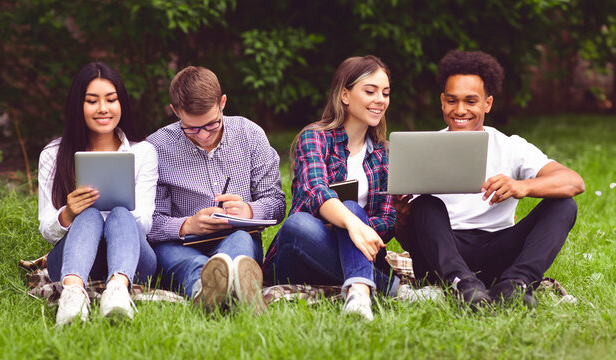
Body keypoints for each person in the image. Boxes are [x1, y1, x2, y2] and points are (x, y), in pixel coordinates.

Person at [394, 50, 585, 308]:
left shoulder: (510, 146)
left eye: (471, 101)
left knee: (564, 204)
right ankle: (462, 286)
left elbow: (574, 182)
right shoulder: (422, 149)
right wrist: (403, 218)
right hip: (443, 257)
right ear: (442, 101)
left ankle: (516, 284)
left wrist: (522, 186)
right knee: (426, 204)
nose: (460, 110)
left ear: (488, 103)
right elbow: (413, 241)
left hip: (498, 249)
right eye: (452, 101)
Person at [263, 55, 399, 321]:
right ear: (345, 95)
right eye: (370, 91)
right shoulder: (314, 137)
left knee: (350, 210)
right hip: (303, 250)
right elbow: (315, 191)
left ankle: (358, 293)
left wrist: (348, 230)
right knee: (297, 224)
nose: (380, 99)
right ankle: (390, 288)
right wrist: (350, 223)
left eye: (385, 93)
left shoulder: (384, 153)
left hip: (354, 252)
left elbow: (389, 218)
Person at [147, 66, 285, 311]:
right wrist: (187, 225)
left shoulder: (250, 135)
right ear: (175, 111)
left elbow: (276, 202)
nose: (203, 135)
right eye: (191, 128)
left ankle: (217, 291)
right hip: (180, 244)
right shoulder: (157, 147)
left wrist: (248, 211)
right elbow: (149, 222)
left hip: (236, 236)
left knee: (241, 240)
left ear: (222, 103)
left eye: (211, 125)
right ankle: (224, 292)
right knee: (174, 257)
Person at [38, 62, 158, 326]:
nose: (103, 109)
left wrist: (125, 202)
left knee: (119, 214)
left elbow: (146, 225)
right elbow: (46, 229)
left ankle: (117, 292)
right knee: (89, 215)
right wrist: (69, 213)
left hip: (134, 260)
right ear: (77, 106)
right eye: (92, 101)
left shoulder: (143, 153)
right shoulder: (53, 155)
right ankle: (72, 296)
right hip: (74, 260)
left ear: (121, 104)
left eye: (111, 100)